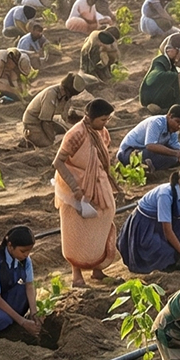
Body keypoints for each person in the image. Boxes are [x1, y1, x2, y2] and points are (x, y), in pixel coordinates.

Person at [50, 97, 118, 285]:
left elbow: (101, 158)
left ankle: (97, 270)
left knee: (102, 223)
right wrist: (75, 188)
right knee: (76, 232)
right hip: (75, 190)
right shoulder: (75, 134)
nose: (105, 124)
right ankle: (76, 276)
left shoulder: (102, 133)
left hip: (98, 185)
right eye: (103, 120)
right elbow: (58, 162)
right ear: (90, 118)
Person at [117, 105, 180, 173]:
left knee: (173, 158)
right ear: (169, 116)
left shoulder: (173, 131)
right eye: (177, 122)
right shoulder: (156, 122)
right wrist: (175, 153)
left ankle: (147, 166)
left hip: (145, 151)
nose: (178, 126)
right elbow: (150, 146)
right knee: (170, 155)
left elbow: (176, 146)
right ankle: (143, 167)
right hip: (128, 152)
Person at [21, 73, 84, 150]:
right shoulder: (51, 94)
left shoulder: (65, 96)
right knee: (49, 145)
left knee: (66, 134)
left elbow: (64, 116)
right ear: (66, 89)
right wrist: (52, 140)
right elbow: (45, 121)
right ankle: (29, 138)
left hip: (47, 121)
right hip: (33, 123)